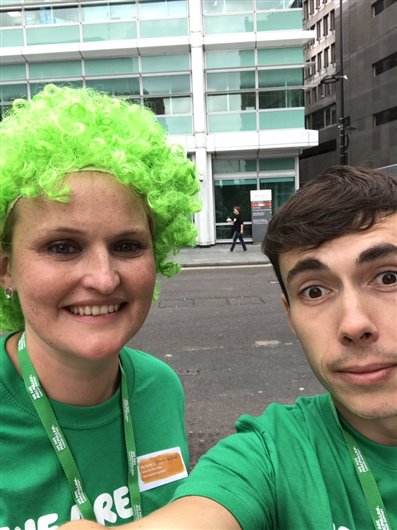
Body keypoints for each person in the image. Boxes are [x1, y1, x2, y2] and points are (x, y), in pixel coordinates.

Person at [61, 165, 396, 530]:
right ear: (290, 315)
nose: (353, 324)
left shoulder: (155, 384)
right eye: (314, 291)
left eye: (388, 277)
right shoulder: (272, 453)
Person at [0, 84, 201, 527]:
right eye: (63, 247)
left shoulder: (158, 387)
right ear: (6, 269)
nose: (103, 278)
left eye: (128, 245)